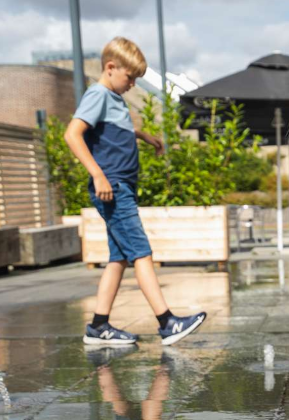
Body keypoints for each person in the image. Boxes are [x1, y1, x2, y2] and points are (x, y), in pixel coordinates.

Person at [65, 37, 206, 347]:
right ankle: (167, 322)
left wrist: (144, 136)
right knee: (142, 252)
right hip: (112, 187)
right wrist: (98, 175)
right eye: (130, 78)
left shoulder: (114, 97)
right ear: (111, 67)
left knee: (119, 259)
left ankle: (99, 326)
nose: (132, 85)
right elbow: (72, 134)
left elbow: (115, 132)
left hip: (121, 185)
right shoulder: (98, 94)